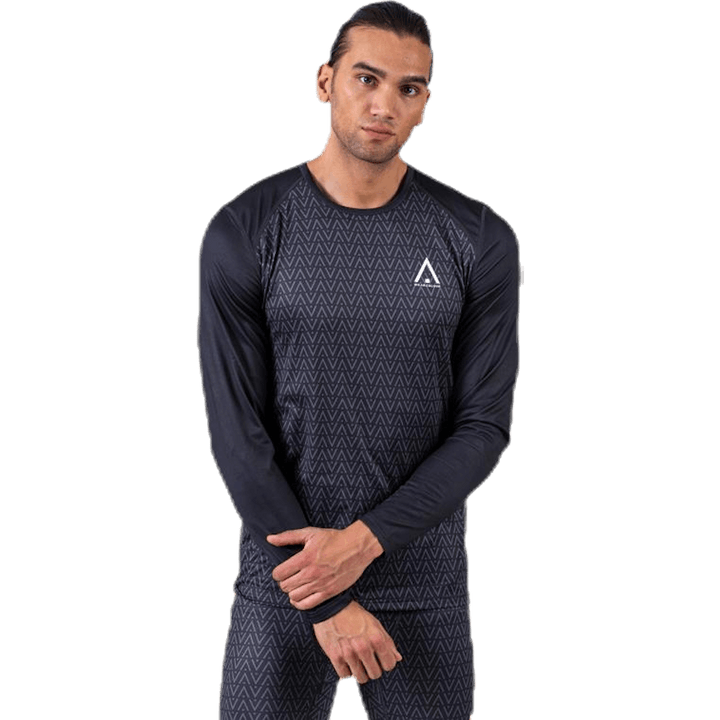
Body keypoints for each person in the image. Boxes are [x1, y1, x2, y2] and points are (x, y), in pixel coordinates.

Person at [196, 2, 521, 718]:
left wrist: (364, 543)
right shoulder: (244, 229)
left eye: (409, 88)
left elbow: (483, 428)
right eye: (366, 79)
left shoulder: (477, 237)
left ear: (425, 103)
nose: (384, 105)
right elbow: (238, 436)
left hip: (423, 585)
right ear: (325, 81)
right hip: (285, 583)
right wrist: (326, 596)